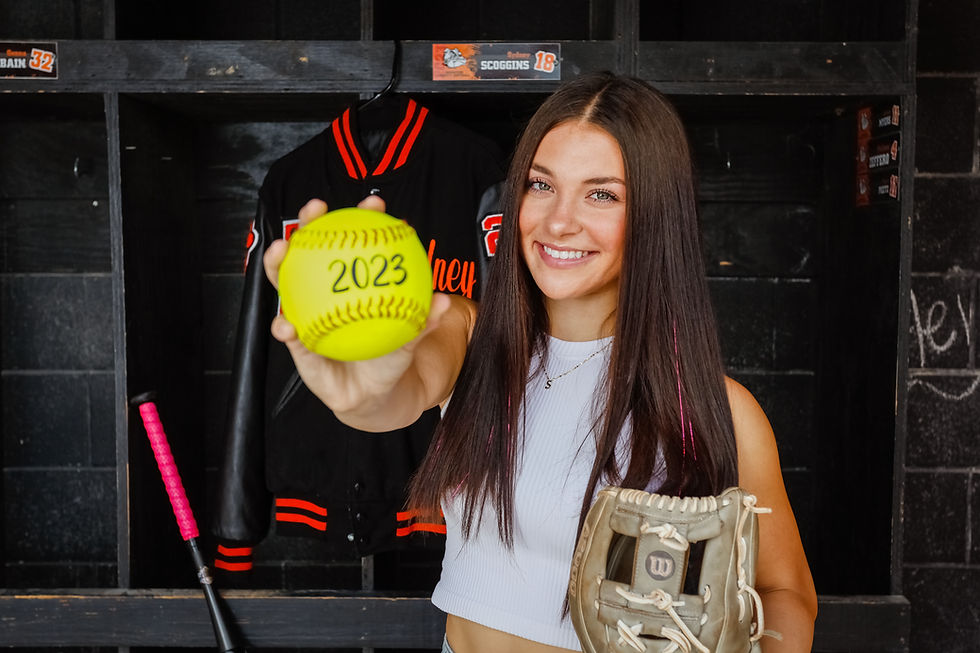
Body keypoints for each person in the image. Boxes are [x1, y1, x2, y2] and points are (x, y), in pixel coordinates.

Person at [263, 72, 818, 653]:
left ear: (655, 216)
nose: (558, 222)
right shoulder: (471, 335)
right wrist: (361, 392)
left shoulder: (715, 409)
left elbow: (785, 593)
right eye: (540, 185)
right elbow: (397, 391)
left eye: (601, 194)